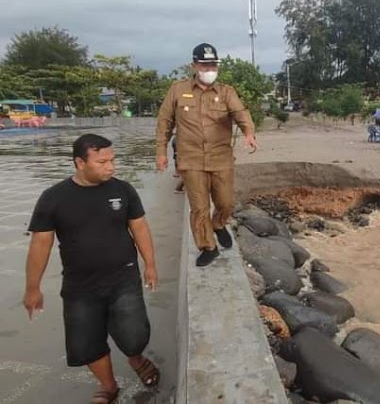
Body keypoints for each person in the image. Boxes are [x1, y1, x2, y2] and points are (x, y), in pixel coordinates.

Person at [23, 134, 159, 404]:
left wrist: (150, 264)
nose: (111, 167)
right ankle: (109, 386)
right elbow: (40, 244)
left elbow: (140, 227)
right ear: (79, 162)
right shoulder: (54, 198)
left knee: (134, 334)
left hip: (123, 276)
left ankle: (135, 357)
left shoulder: (123, 190)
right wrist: (32, 287)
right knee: (87, 343)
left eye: (112, 160)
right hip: (80, 286)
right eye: (102, 161)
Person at [155, 43, 257, 267]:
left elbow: (240, 113)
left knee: (226, 203)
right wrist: (161, 151)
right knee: (199, 207)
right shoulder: (177, 89)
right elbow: (165, 122)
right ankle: (208, 247)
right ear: (194, 65)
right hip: (190, 159)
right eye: (205, 64)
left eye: (213, 64)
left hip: (221, 158)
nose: (210, 68)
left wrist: (248, 131)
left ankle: (219, 224)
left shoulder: (226, 92)